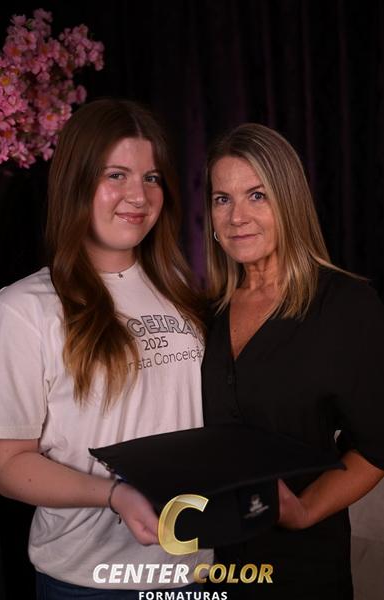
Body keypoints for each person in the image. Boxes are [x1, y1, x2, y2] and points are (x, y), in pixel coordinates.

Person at [0, 98, 212, 599]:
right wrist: (115, 495)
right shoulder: (23, 309)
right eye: (116, 175)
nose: (138, 195)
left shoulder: (181, 291)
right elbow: (7, 464)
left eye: (151, 178)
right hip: (91, 582)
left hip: (195, 568)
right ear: (76, 182)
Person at [201, 122, 384, 599]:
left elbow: (376, 446)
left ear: (290, 202)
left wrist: (303, 512)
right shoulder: (205, 312)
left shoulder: (346, 305)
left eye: (257, 195)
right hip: (216, 563)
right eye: (222, 199)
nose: (237, 216)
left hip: (304, 568)